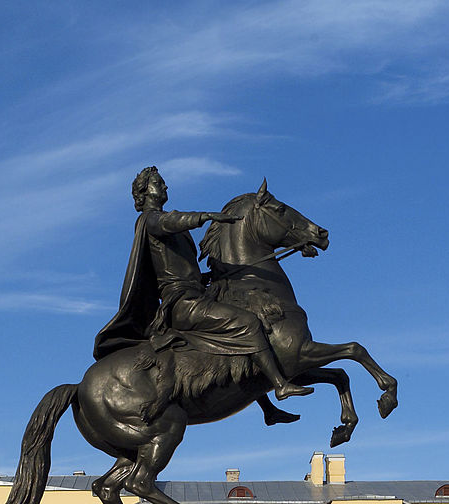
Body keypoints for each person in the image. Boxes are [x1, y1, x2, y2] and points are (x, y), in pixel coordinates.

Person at [93, 167, 312, 402]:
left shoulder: (169, 227)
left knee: (240, 322)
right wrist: (206, 216)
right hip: (182, 304)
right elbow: (170, 222)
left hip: (196, 295)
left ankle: (265, 406)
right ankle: (279, 385)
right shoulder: (149, 220)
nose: (165, 187)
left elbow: (180, 268)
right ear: (145, 192)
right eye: (159, 183)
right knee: (247, 323)